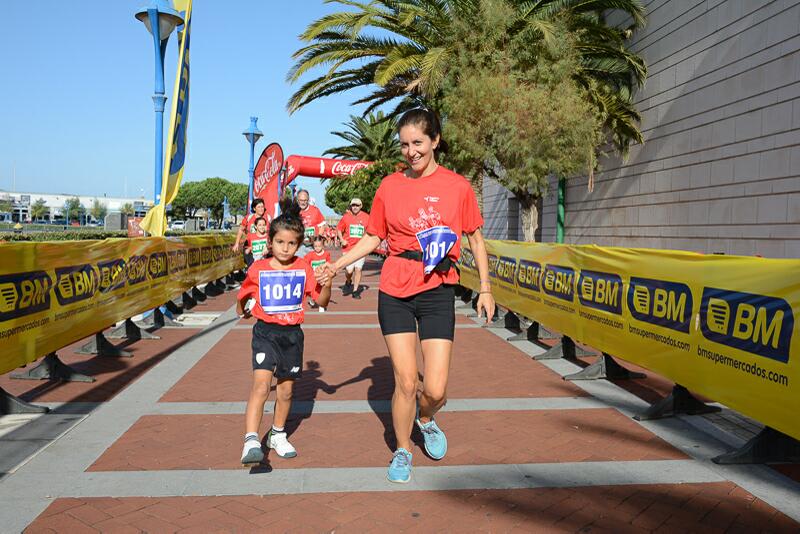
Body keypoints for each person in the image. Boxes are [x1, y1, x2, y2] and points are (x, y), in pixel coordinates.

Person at [319, 108, 495, 483]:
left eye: (418, 143)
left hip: (438, 289)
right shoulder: (389, 186)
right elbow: (372, 236)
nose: (411, 151)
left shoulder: (458, 186)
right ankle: (402, 449)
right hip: (396, 287)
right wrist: (337, 266)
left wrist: (485, 288)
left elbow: (475, 239)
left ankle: (426, 418)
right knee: (405, 381)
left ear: (435, 141)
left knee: (435, 388)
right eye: (404, 145)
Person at [236, 199, 333, 465]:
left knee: (286, 392)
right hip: (265, 334)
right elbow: (242, 296)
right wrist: (241, 309)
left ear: (298, 245)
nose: (285, 248)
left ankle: (277, 434)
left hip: (292, 336)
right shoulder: (258, 269)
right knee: (261, 386)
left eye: (291, 243)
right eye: (280, 242)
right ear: (270, 242)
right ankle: (251, 440)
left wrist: (328, 282)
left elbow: (321, 301)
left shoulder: (303, 268)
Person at [336, 198, 370, 299]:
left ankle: (355, 291)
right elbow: (339, 229)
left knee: (358, 269)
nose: (355, 207)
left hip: (360, 248)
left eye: (357, 205)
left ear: (361, 206)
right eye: (353, 205)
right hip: (348, 248)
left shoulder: (366, 217)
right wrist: (342, 240)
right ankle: (348, 280)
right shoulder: (346, 217)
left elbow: (370, 231)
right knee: (349, 271)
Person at [305, 236, 332, 312]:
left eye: (319, 246)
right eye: (315, 246)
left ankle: (321, 306)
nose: (317, 248)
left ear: (322, 245)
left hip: (323, 276)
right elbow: (305, 263)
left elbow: (328, 263)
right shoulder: (310, 255)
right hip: (313, 277)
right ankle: (313, 301)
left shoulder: (326, 254)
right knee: (314, 291)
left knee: (322, 290)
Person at [296, 189, 326, 257]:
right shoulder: (294, 212)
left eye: (305, 200)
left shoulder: (315, 210)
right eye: (301, 200)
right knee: (300, 265)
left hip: (313, 246)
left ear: (308, 200)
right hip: (300, 246)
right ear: (297, 200)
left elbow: (322, 225)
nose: (303, 202)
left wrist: (317, 239)